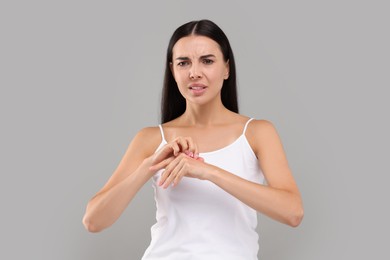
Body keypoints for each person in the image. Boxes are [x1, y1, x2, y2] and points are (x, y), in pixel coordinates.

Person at [82, 19, 304, 259]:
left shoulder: (257, 132)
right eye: (183, 63)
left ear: (226, 68)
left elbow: (292, 212)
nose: (194, 73)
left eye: (207, 61)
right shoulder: (151, 138)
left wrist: (208, 171)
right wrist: (150, 166)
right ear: (173, 70)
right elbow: (94, 221)